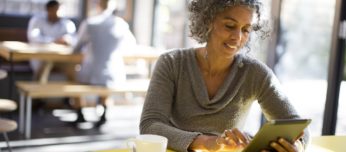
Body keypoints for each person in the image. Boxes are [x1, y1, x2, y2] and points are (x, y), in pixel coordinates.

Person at [139, 0, 309, 152]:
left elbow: (298, 128)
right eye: (229, 26)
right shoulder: (172, 63)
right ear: (207, 21)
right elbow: (150, 125)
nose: (238, 37)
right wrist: (207, 142)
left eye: (246, 30)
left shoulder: (255, 73)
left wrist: (296, 146)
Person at [73, 0, 137, 127]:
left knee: (73, 75)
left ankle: (80, 110)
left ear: (97, 5)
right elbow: (131, 45)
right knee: (107, 78)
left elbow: (76, 47)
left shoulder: (90, 23)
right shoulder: (121, 24)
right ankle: (103, 109)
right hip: (114, 74)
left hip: (90, 74)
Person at [27, 0, 77, 81]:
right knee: (43, 66)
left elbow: (73, 38)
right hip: (42, 56)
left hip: (62, 57)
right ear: (48, 10)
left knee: (73, 67)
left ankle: (74, 93)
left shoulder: (67, 23)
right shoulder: (37, 20)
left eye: (58, 10)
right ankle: (37, 91)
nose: (56, 13)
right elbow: (33, 37)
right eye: (54, 10)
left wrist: (67, 40)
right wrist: (54, 41)